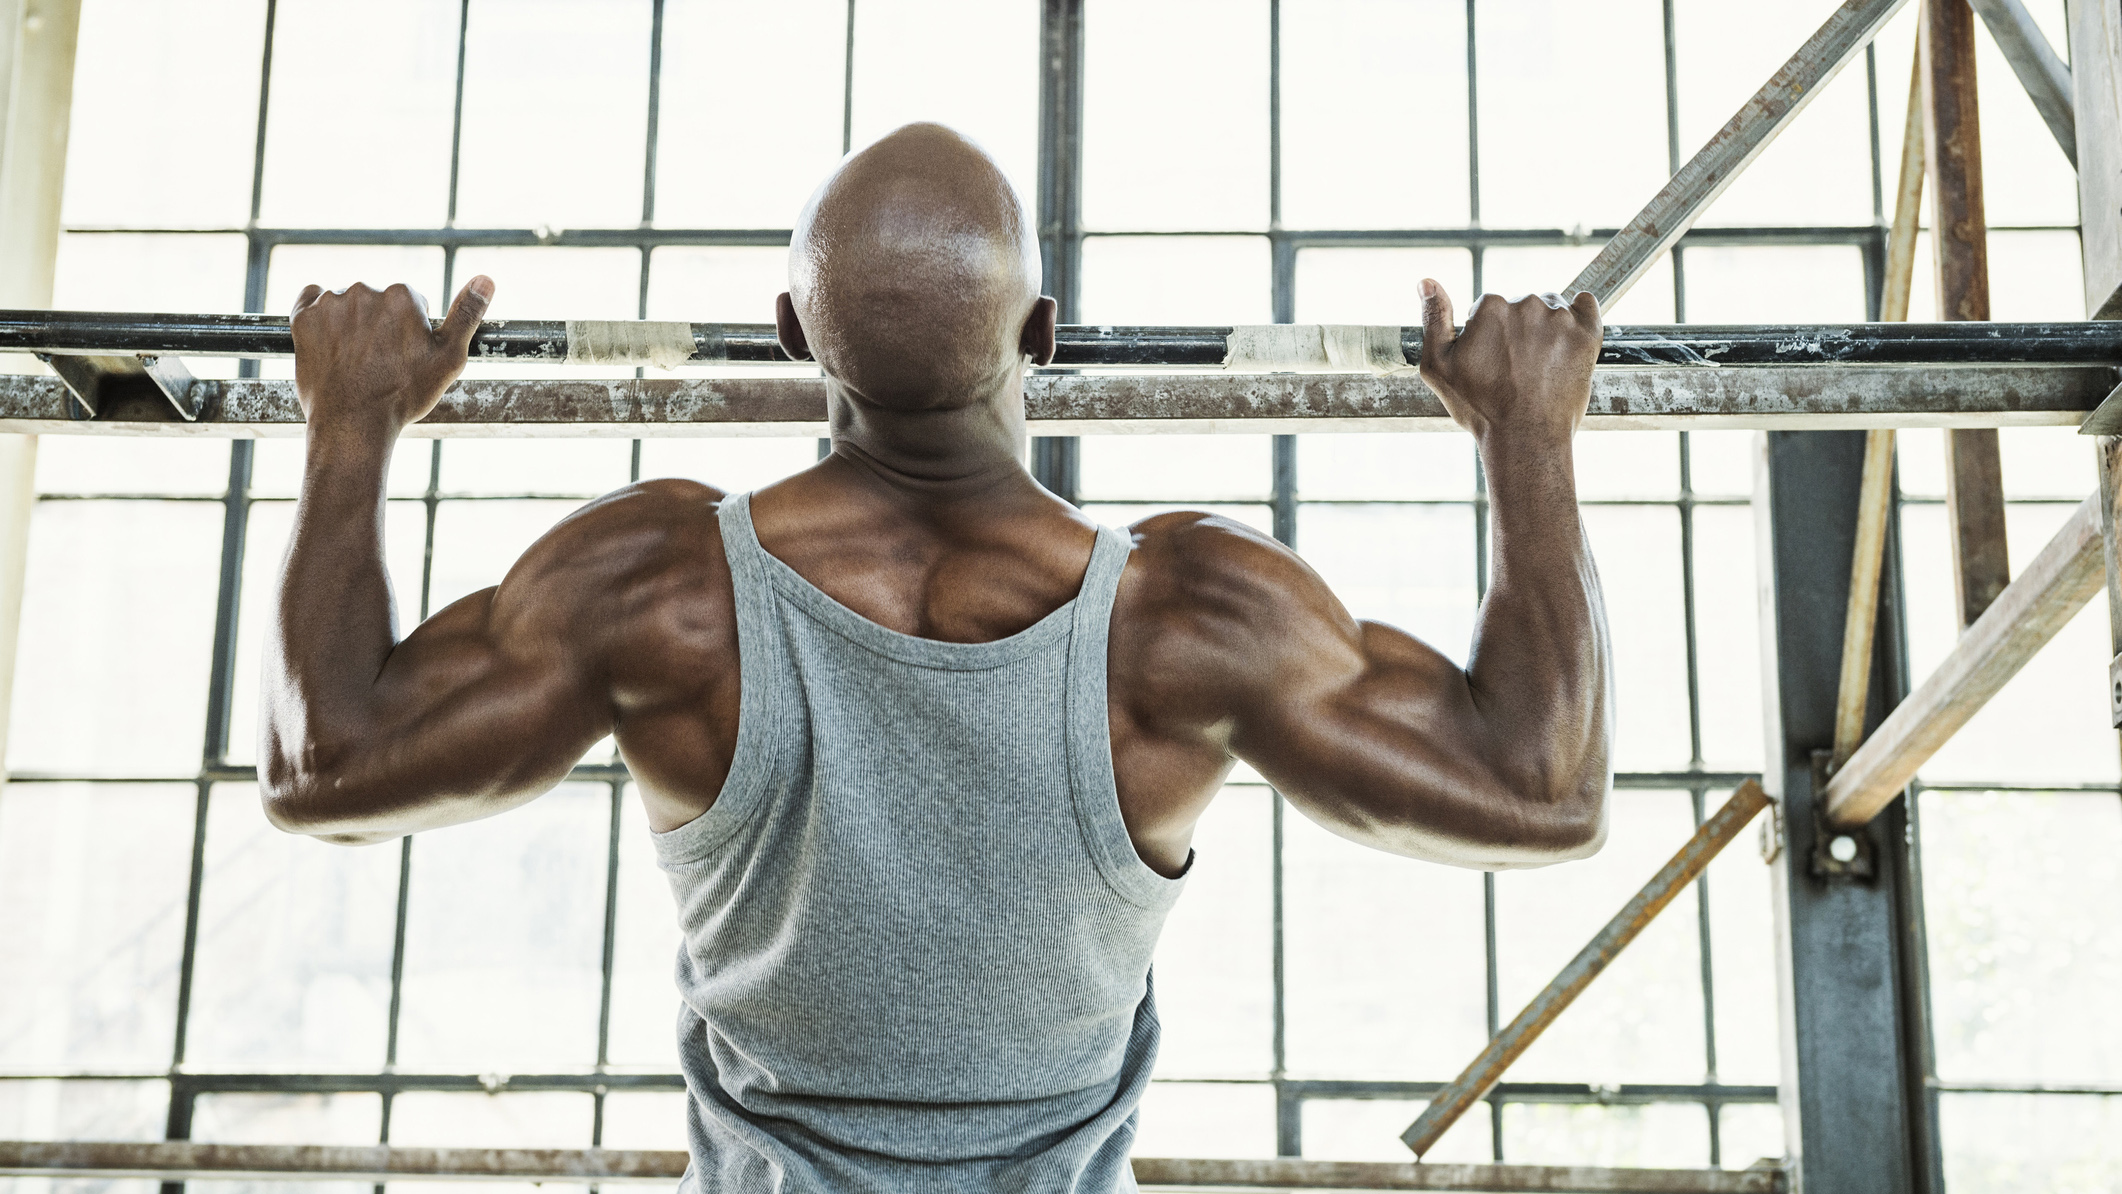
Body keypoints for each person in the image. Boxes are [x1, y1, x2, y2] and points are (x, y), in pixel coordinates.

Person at [262, 122, 1612, 1193]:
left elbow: (328, 765)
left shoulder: (657, 584)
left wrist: (352, 424)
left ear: (792, 334)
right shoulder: (1190, 615)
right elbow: (1538, 792)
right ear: (1040, 337)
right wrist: (1525, 435)